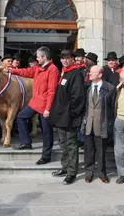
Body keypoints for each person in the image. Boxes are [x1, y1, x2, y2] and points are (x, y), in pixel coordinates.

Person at [8, 46, 59, 165]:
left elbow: (52, 91)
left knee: (47, 131)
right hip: (35, 102)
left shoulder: (53, 69)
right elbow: (27, 71)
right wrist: (12, 70)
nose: (36, 58)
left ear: (44, 57)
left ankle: (46, 156)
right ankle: (26, 142)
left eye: (38, 56)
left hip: (45, 105)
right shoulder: (38, 67)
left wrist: (48, 109)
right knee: (21, 117)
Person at [49, 50, 85, 185]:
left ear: (72, 59)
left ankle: (71, 172)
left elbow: (78, 96)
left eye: (67, 58)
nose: (64, 60)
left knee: (71, 144)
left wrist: (73, 114)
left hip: (68, 116)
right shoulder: (64, 72)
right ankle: (65, 167)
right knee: (63, 144)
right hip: (60, 115)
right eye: (62, 58)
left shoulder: (75, 73)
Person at [81, 65, 115, 184]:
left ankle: (102, 173)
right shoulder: (86, 87)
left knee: (101, 151)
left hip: (101, 125)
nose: (89, 74)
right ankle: (88, 173)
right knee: (88, 151)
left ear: (100, 74)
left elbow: (112, 108)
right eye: (89, 72)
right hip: (88, 124)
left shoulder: (109, 88)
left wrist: (109, 124)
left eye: (92, 72)